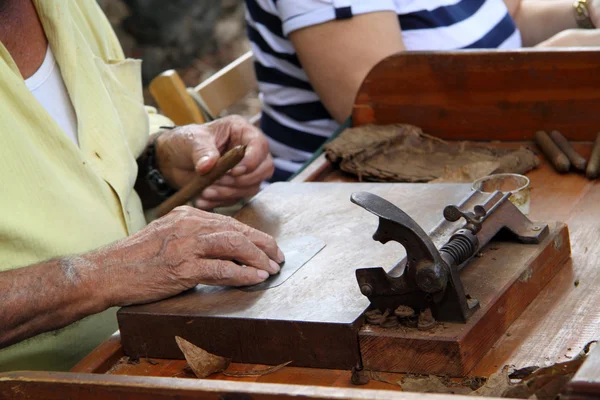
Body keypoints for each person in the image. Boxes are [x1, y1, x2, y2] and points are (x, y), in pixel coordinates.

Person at [0, 0, 282, 371]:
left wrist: (163, 159)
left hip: (146, 347)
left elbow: (102, 146)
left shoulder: (65, 7)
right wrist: (105, 274)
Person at [245, 0, 600, 181]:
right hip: (352, 195)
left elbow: (511, 16)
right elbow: (385, 104)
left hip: (487, 153)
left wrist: (585, 11)